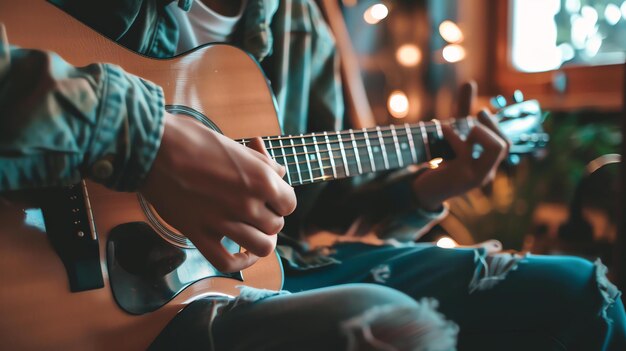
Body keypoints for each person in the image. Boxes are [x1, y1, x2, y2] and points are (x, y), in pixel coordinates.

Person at [1, 0, 624, 350]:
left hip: (257, 271)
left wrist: (429, 187)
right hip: (70, 297)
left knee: (584, 302)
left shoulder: (303, 22)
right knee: (386, 332)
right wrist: (146, 138)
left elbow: (308, 207)